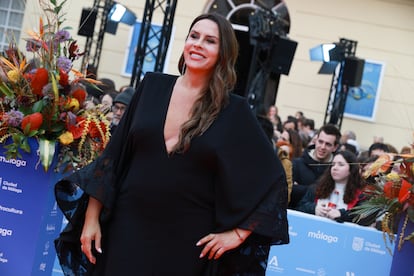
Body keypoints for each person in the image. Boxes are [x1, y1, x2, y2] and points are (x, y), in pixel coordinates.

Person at [54, 13, 288, 276]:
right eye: (194, 36)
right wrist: (91, 218)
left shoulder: (235, 111)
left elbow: (271, 179)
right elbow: (113, 157)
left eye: (210, 41)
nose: (198, 44)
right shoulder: (151, 86)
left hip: (186, 244)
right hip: (126, 228)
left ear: (224, 53)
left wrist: (237, 233)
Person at [296, 150, 366, 223]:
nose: (335, 168)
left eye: (341, 165)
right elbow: (300, 207)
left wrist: (342, 214)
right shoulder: (317, 188)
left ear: (351, 169)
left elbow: (363, 218)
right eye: (333, 164)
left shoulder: (360, 196)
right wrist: (314, 208)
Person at [290, 123, 341, 209]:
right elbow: (287, 191)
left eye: (328, 144)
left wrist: (300, 189)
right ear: (315, 140)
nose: (322, 147)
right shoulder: (296, 164)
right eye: (320, 142)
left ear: (335, 147)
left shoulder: (336, 169)